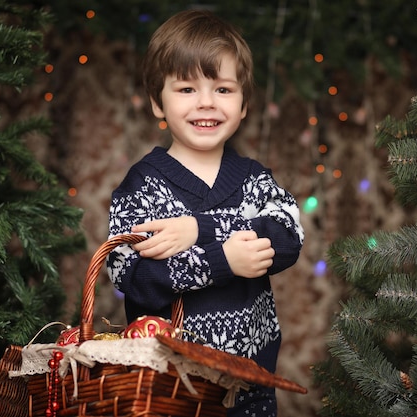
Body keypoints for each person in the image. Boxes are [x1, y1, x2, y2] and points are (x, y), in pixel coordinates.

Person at [106, 9, 304, 417]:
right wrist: (221, 261)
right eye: (186, 89)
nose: (207, 103)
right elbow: (132, 277)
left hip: (250, 377)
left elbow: (286, 233)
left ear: (245, 103)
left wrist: (199, 228)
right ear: (157, 103)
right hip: (168, 385)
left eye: (224, 89)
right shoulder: (143, 185)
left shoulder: (253, 178)